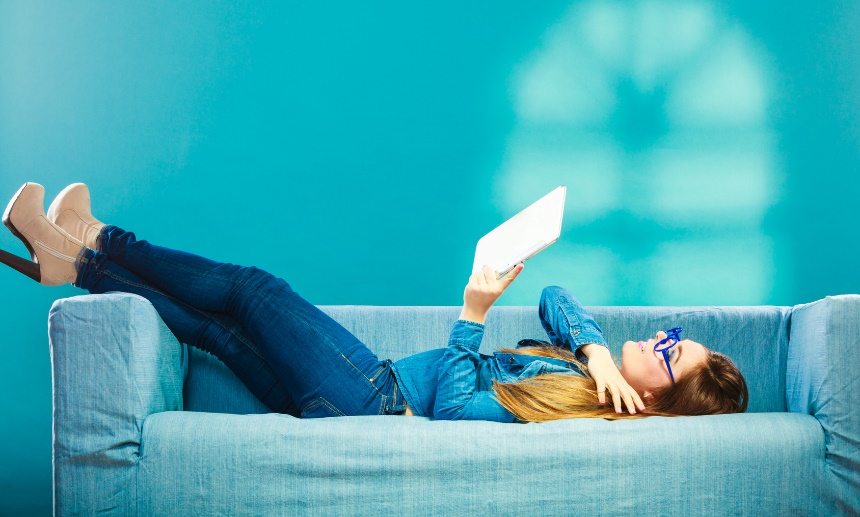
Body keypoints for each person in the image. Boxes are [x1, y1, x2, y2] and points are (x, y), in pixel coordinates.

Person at [1, 182, 748, 422]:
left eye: (670, 350)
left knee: (253, 289)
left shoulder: (569, 412)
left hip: (373, 397)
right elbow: (556, 294)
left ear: (662, 403)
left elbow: (455, 408)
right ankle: (73, 266)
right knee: (213, 331)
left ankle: (100, 237)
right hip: (362, 392)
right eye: (673, 332)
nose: (658, 334)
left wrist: (473, 311)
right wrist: (590, 347)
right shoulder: (582, 374)